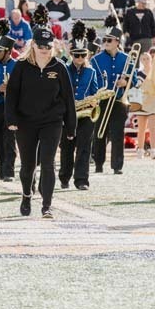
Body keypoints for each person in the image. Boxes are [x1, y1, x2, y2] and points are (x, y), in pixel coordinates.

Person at [6, 22, 76, 218]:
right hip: (25, 121)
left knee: (48, 163)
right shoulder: (21, 66)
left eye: (48, 46)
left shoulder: (59, 67)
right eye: (41, 46)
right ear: (33, 45)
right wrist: (11, 119)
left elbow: (68, 98)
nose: (45, 50)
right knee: (28, 165)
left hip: (51, 122)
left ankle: (47, 205)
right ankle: (27, 195)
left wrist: (71, 126)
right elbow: (11, 94)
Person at [91, 15, 136, 175]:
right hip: (102, 101)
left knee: (118, 133)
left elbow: (135, 79)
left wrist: (126, 83)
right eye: (105, 40)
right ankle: (98, 164)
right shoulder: (96, 60)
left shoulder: (127, 59)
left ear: (117, 41)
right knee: (99, 133)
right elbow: (93, 79)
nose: (106, 43)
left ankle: (117, 166)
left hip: (119, 101)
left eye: (109, 40)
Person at [60, 20, 99, 191]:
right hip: (67, 115)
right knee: (67, 148)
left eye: (83, 55)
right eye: (76, 55)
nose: (80, 59)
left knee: (84, 147)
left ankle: (82, 179)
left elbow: (95, 91)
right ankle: (64, 177)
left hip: (85, 114)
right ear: (71, 54)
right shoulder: (63, 69)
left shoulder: (91, 72)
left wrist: (93, 100)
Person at [0, 19, 17, 182]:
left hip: (12, 107)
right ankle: (1, 169)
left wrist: (10, 89)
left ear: (8, 51)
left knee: (10, 138)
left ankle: (9, 171)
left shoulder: (18, 65)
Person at [135, 52, 155, 159]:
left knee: (153, 128)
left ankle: (154, 150)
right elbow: (136, 87)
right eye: (143, 59)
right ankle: (140, 150)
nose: (145, 61)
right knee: (141, 128)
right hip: (142, 102)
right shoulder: (138, 73)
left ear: (151, 59)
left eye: (147, 58)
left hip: (153, 101)